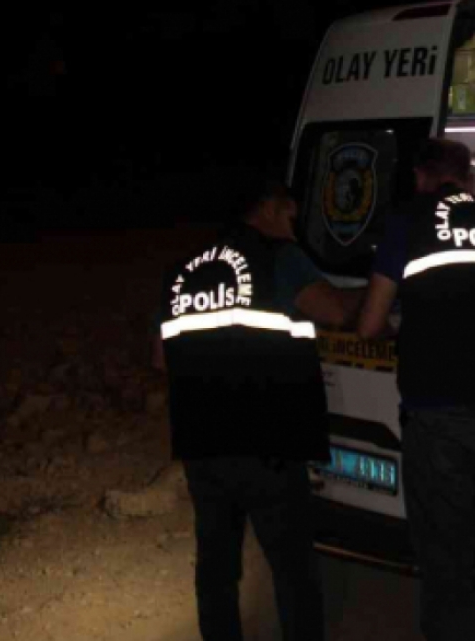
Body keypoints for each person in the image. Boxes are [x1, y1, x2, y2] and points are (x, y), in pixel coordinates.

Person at [155, 177, 361, 641]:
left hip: (202, 442)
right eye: (290, 212)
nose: (294, 223)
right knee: (292, 568)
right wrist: (383, 291)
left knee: (216, 566)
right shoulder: (280, 258)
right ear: (267, 208)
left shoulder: (185, 268)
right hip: (266, 440)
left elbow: (160, 357)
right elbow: (336, 311)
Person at [357, 139, 475, 641]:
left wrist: (399, 328)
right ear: (469, 178)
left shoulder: (409, 221)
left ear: (421, 178)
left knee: (444, 551)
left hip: (436, 410)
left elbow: (369, 324)